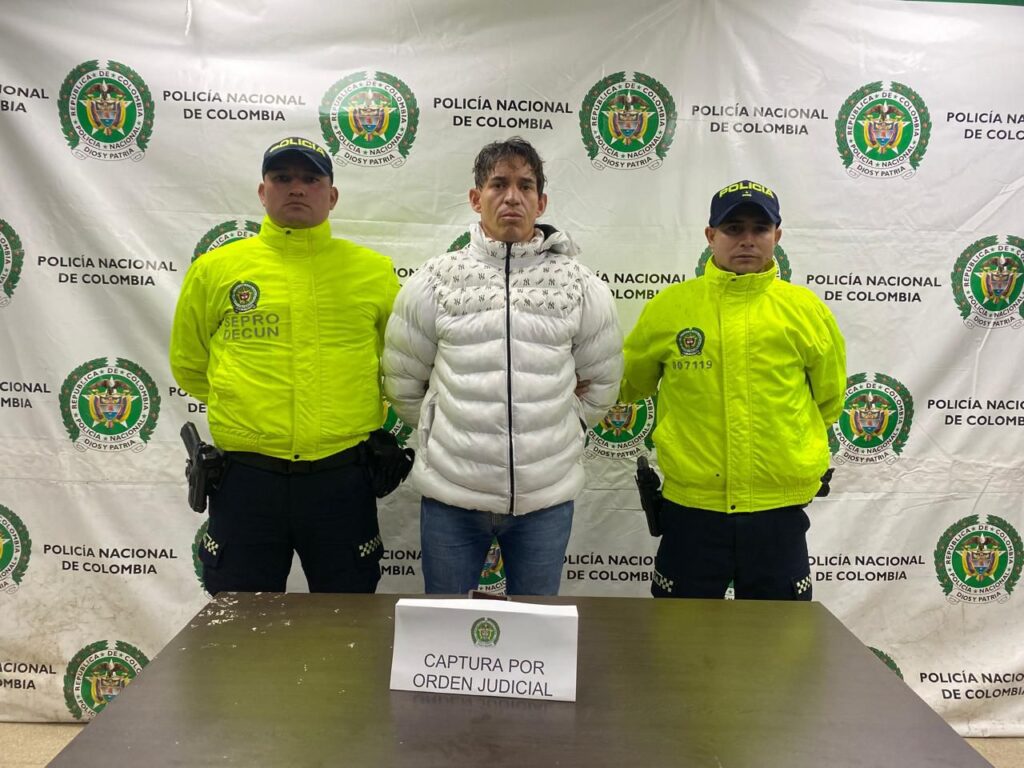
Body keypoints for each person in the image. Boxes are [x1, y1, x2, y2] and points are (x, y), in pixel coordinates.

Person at [383, 137, 623, 595]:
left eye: (525, 185)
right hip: (452, 497)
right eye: (498, 184)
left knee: (536, 626)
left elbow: (602, 382)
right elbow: (404, 382)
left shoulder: (579, 285)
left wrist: (566, 423)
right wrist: (440, 426)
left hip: (545, 499)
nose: (512, 196)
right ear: (476, 198)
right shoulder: (435, 280)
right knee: (446, 623)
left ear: (541, 202)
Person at [169, 136, 404, 595]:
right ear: (263, 192)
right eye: (282, 178)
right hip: (246, 481)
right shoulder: (215, 270)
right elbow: (190, 364)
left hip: (341, 479)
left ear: (332, 195)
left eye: (311, 179)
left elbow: (397, 365)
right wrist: (247, 409)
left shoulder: (373, 271)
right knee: (241, 619)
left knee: (347, 616)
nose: (297, 188)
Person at [621, 180, 846, 600]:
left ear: (777, 236)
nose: (747, 240)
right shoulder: (669, 309)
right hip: (692, 510)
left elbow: (829, 400)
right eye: (733, 228)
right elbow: (629, 382)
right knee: (678, 632)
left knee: (779, 635)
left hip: (777, 512)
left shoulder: (807, 311)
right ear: (711, 236)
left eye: (760, 229)